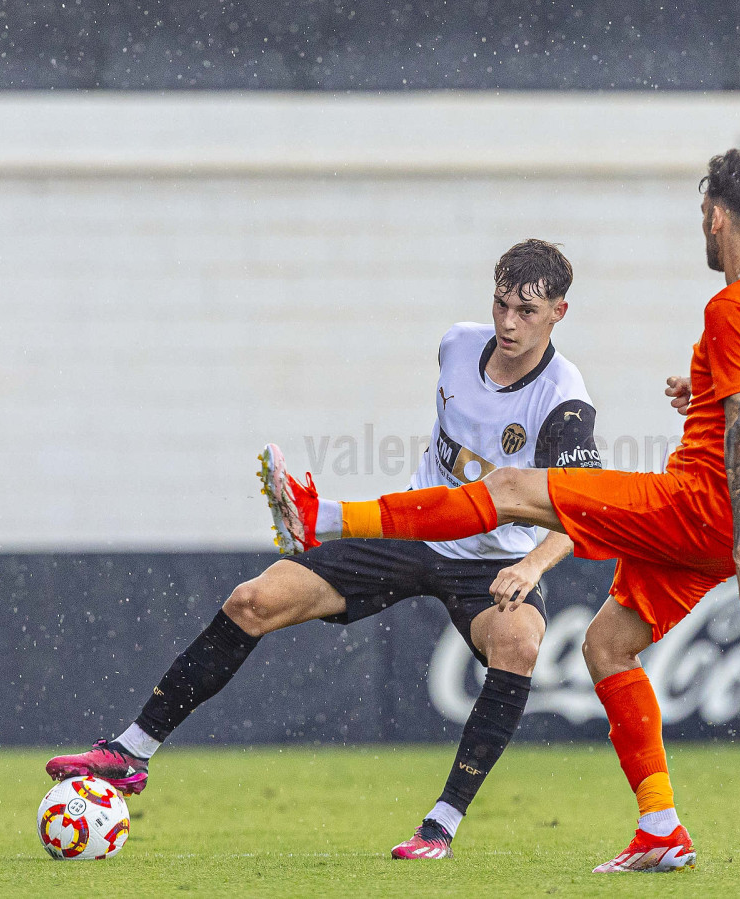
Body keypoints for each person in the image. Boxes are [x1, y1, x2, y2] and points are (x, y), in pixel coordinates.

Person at [262, 149, 740, 873]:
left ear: (717, 217)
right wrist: (712, 400)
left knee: (510, 486)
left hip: (700, 509)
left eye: (702, 214)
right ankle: (660, 826)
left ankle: (322, 517)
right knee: (607, 646)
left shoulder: (734, 304)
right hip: (728, 529)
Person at [46, 238, 602, 860]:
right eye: (501, 304)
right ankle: (131, 751)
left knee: (519, 644)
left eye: (527, 311)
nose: (508, 323)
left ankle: (440, 824)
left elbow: (582, 510)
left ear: (559, 313)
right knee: (252, 601)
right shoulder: (456, 345)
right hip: (412, 530)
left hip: (494, 560)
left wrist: (531, 565)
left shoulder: (564, 398)